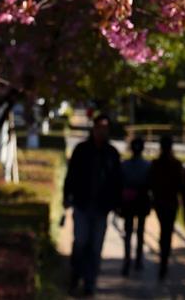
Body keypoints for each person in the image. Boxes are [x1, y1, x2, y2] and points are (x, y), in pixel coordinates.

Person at [63, 113, 122, 297]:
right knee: (80, 243)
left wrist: (116, 203)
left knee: (95, 247)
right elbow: (71, 175)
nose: (102, 132)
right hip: (82, 204)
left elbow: (117, 180)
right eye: (99, 128)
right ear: (94, 129)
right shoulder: (82, 150)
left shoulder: (111, 153)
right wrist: (67, 196)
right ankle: (76, 275)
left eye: (105, 128)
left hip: (101, 208)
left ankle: (90, 283)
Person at [149, 133, 185, 280]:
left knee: (165, 230)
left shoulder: (157, 164)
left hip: (162, 203)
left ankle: (163, 257)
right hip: (169, 203)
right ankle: (164, 256)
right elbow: (182, 186)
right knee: (167, 231)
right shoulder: (175, 164)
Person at [120, 137, 151, 276]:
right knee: (139, 232)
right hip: (141, 202)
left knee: (128, 233)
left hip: (129, 202)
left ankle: (128, 259)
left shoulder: (125, 165)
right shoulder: (147, 166)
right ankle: (137, 260)